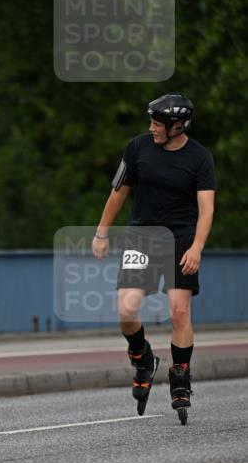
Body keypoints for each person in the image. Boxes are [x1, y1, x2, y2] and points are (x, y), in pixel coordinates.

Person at [92, 93, 216, 419]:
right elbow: (118, 193)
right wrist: (102, 232)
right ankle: (142, 357)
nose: (152, 128)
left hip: (181, 241)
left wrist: (197, 247)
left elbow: (207, 208)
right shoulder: (138, 147)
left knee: (178, 310)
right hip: (141, 239)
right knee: (126, 307)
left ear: (178, 126)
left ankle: (180, 376)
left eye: (158, 123)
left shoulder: (200, 158)